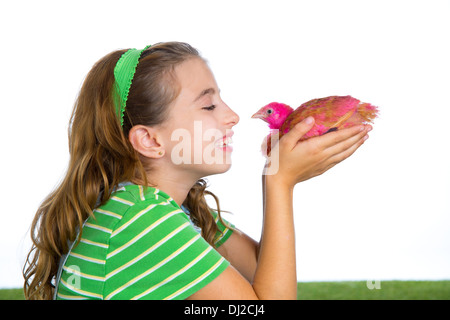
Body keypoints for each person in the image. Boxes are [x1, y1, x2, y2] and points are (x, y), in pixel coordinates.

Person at [23, 41, 371, 300]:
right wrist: (279, 182)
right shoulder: (141, 220)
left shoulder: (174, 208)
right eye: (208, 105)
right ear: (149, 140)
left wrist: (278, 173)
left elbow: (264, 276)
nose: (232, 115)